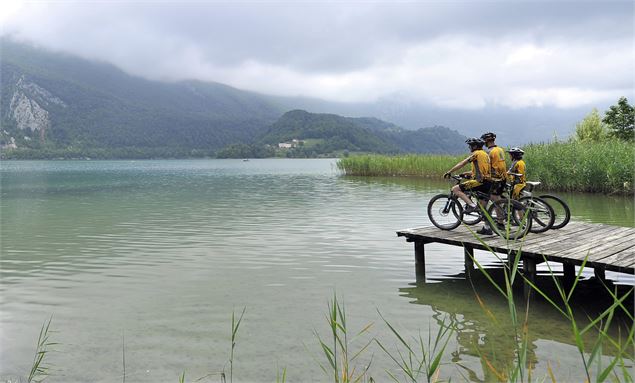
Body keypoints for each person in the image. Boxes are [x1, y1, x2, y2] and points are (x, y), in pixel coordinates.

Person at [443, 138, 492, 217]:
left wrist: (449, 172)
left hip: (479, 182)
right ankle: (488, 226)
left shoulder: (475, 154)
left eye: (470, 146)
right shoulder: (485, 154)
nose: (469, 147)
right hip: (488, 182)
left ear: (475, 146)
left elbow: (462, 163)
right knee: (482, 210)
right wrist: (464, 174)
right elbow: (480, 171)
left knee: (455, 189)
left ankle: (471, 205)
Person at [480, 132, 507, 234]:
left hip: (495, 179)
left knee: (494, 201)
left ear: (486, 141)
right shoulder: (500, 149)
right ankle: (490, 225)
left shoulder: (490, 152)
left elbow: (487, 168)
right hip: (503, 178)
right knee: (495, 199)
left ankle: (498, 224)